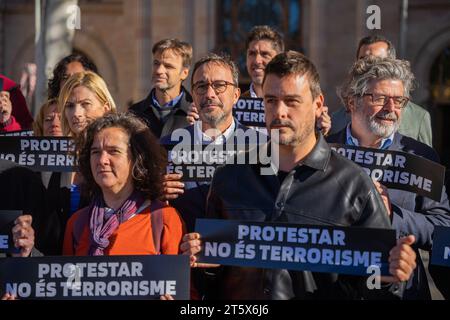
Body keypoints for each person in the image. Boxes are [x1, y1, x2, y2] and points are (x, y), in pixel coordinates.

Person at [180, 51, 417, 300]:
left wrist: (389, 275)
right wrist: (200, 262)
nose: (279, 111)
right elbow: (211, 284)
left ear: (317, 105)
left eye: (291, 101)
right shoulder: (229, 178)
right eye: (271, 100)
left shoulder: (354, 185)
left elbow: (375, 289)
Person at [327, 56, 450, 299]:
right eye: (380, 98)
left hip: (401, 291)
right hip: (334, 288)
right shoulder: (324, 152)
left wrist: (392, 214)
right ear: (352, 101)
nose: (391, 109)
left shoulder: (421, 157)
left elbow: (443, 227)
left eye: (399, 101)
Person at [63, 112, 184, 256]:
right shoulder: (77, 223)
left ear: (137, 159)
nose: (102, 160)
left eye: (113, 151)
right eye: (95, 152)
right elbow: (68, 278)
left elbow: (178, 278)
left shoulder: (163, 218)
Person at [330, 35, 433, 147]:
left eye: (379, 61)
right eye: (364, 60)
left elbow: (423, 160)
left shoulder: (418, 117)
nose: (370, 67)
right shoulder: (336, 119)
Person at [129, 39, 193, 138]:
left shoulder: (197, 113)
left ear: (184, 73)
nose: (159, 71)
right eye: (156, 63)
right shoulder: (134, 114)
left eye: (168, 66)